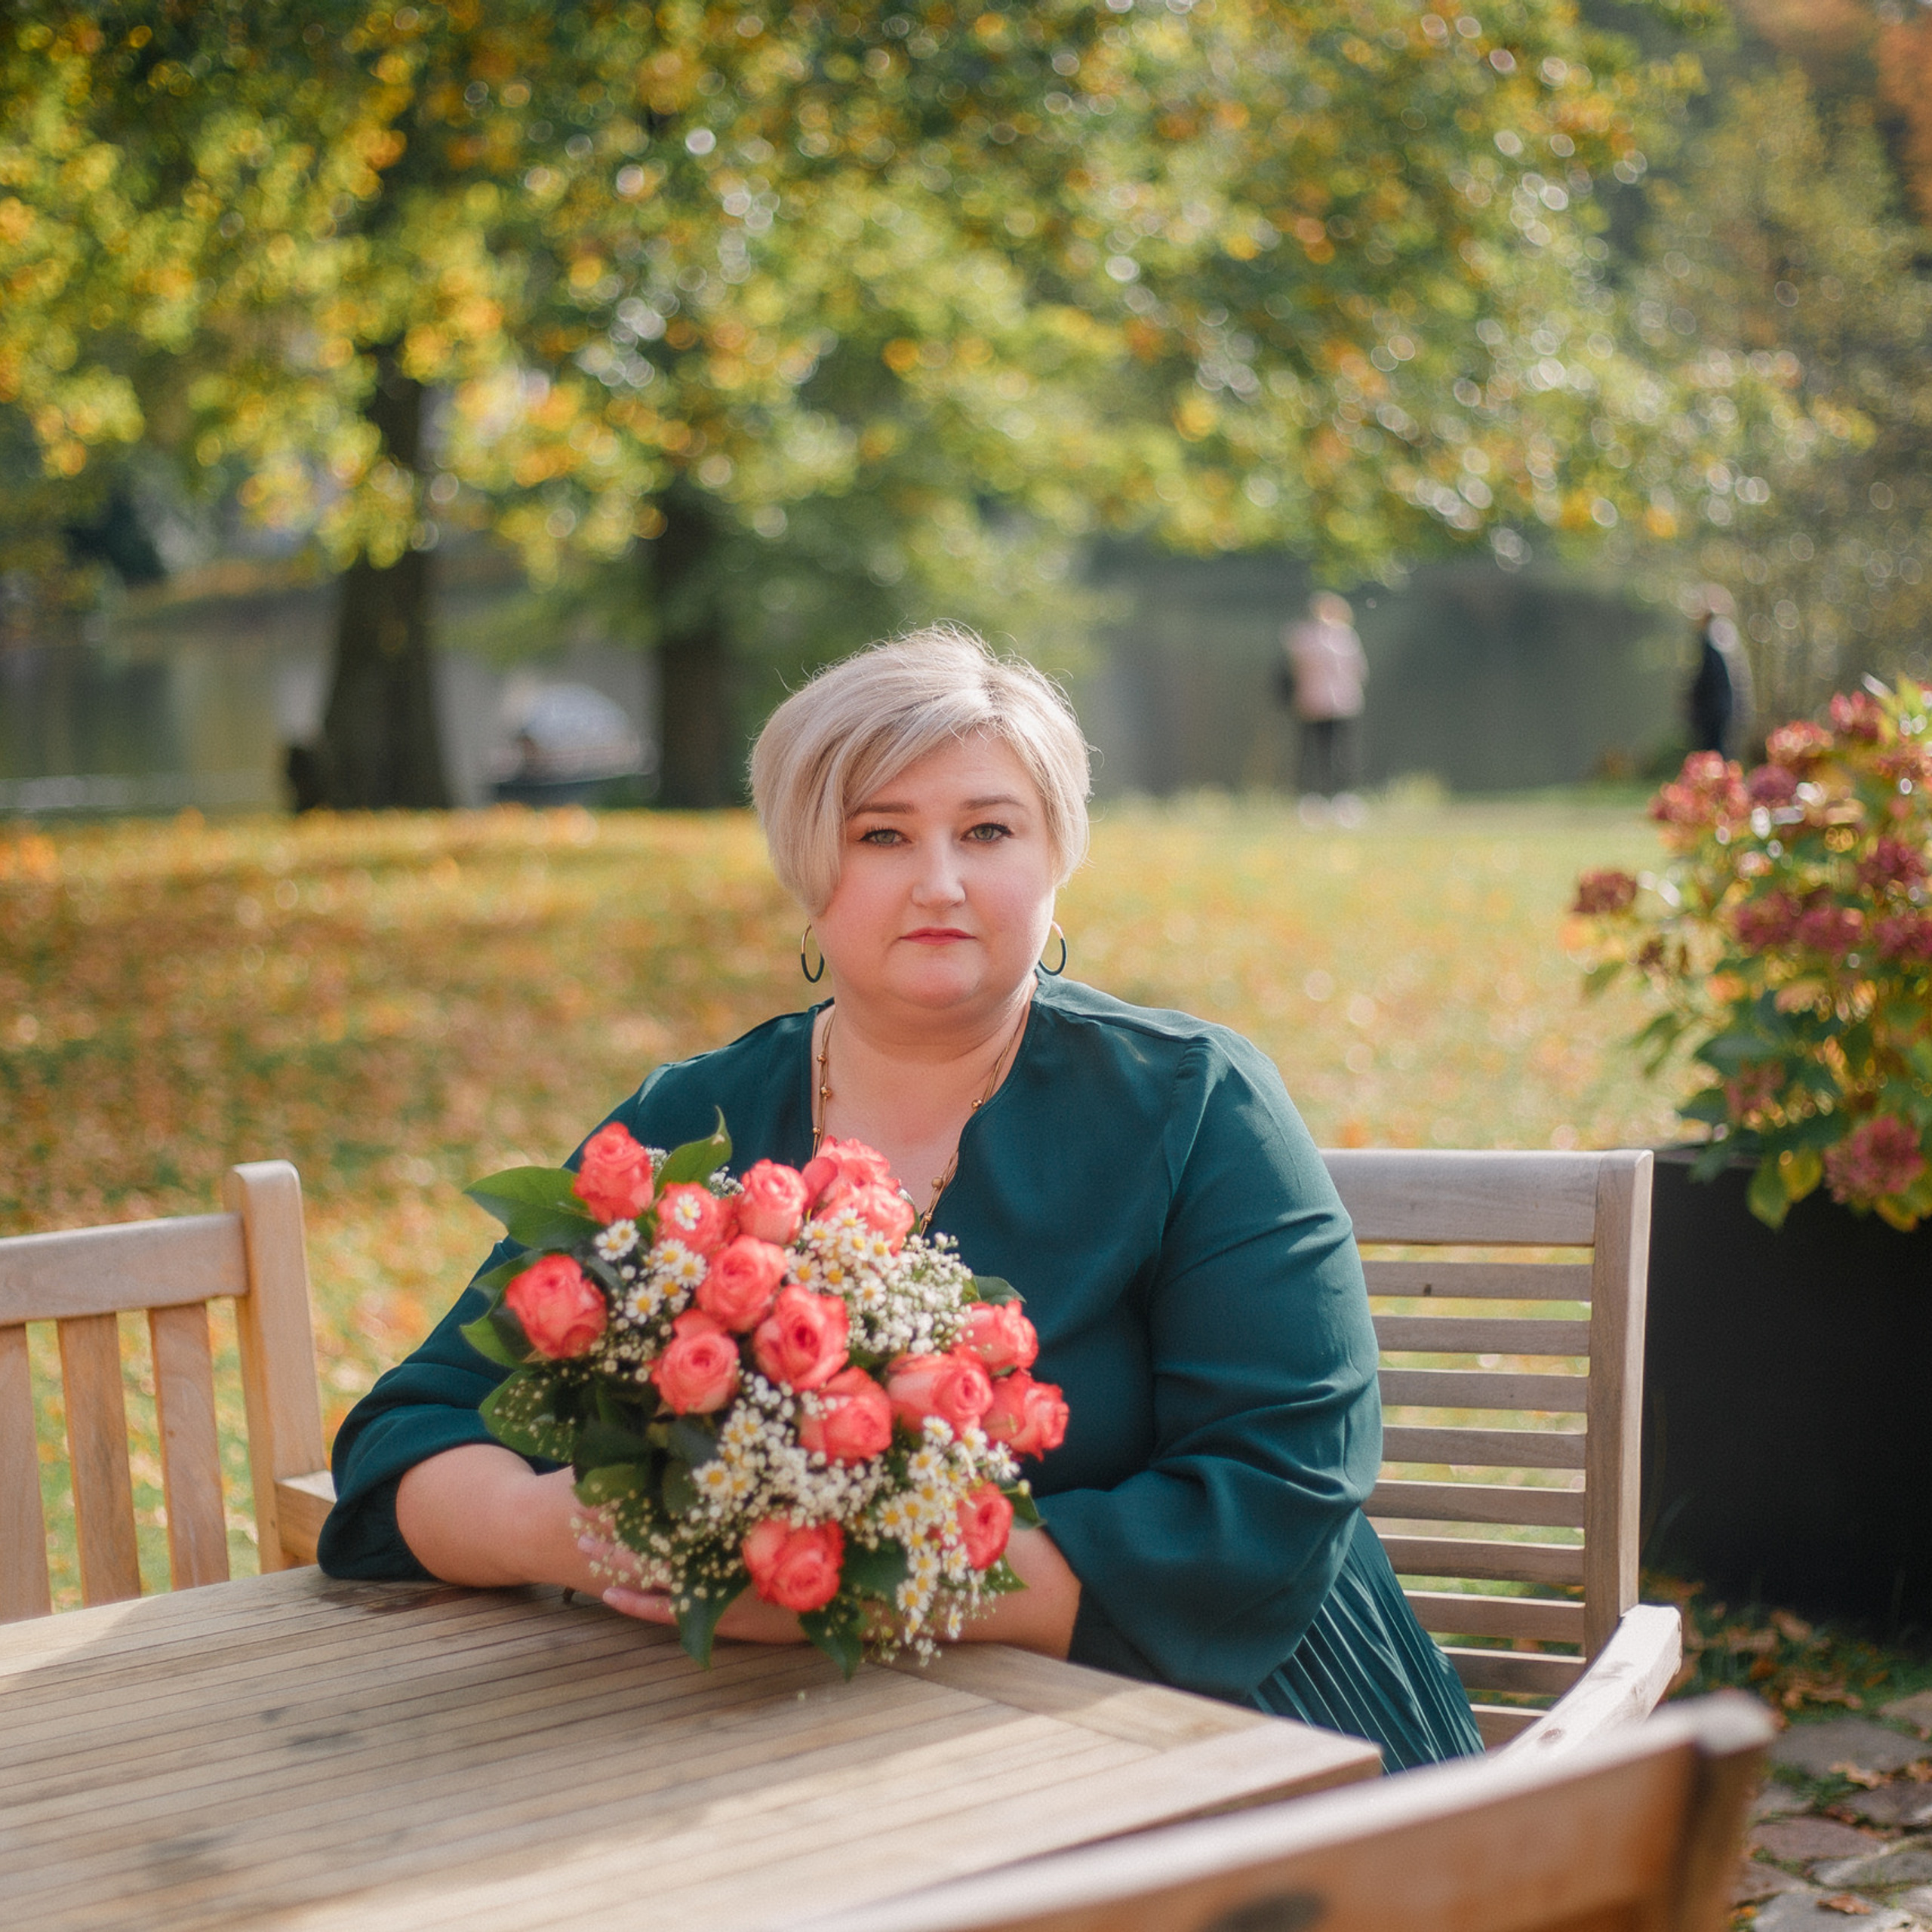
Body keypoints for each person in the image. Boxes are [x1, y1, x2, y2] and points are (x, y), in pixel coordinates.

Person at [319, 624, 1483, 1771]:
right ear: (807, 869)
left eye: (989, 829)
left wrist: (858, 1591)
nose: (940, 882)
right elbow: (411, 1438)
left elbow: (1270, 1508)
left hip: (1230, 1731)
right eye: (881, 834)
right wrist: (591, 1537)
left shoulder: (1197, 1106)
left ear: (1056, 858)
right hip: (779, 1749)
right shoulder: (689, 1123)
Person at [1280, 592, 1368, 811]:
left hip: (1342, 705)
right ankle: (1311, 796)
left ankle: (1343, 796)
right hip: (1312, 703)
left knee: (1342, 752)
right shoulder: (1304, 636)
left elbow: (1357, 669)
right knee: (1311, 751)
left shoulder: (1345, 636)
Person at [1686, 585, 1755, 760]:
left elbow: (1711, 675)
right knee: (1718, 752)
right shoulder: (1724, 633)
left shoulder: (1715, 634)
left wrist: (1694, 697)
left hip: (1715, 709)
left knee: (1714, 755)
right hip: (1723, 707)